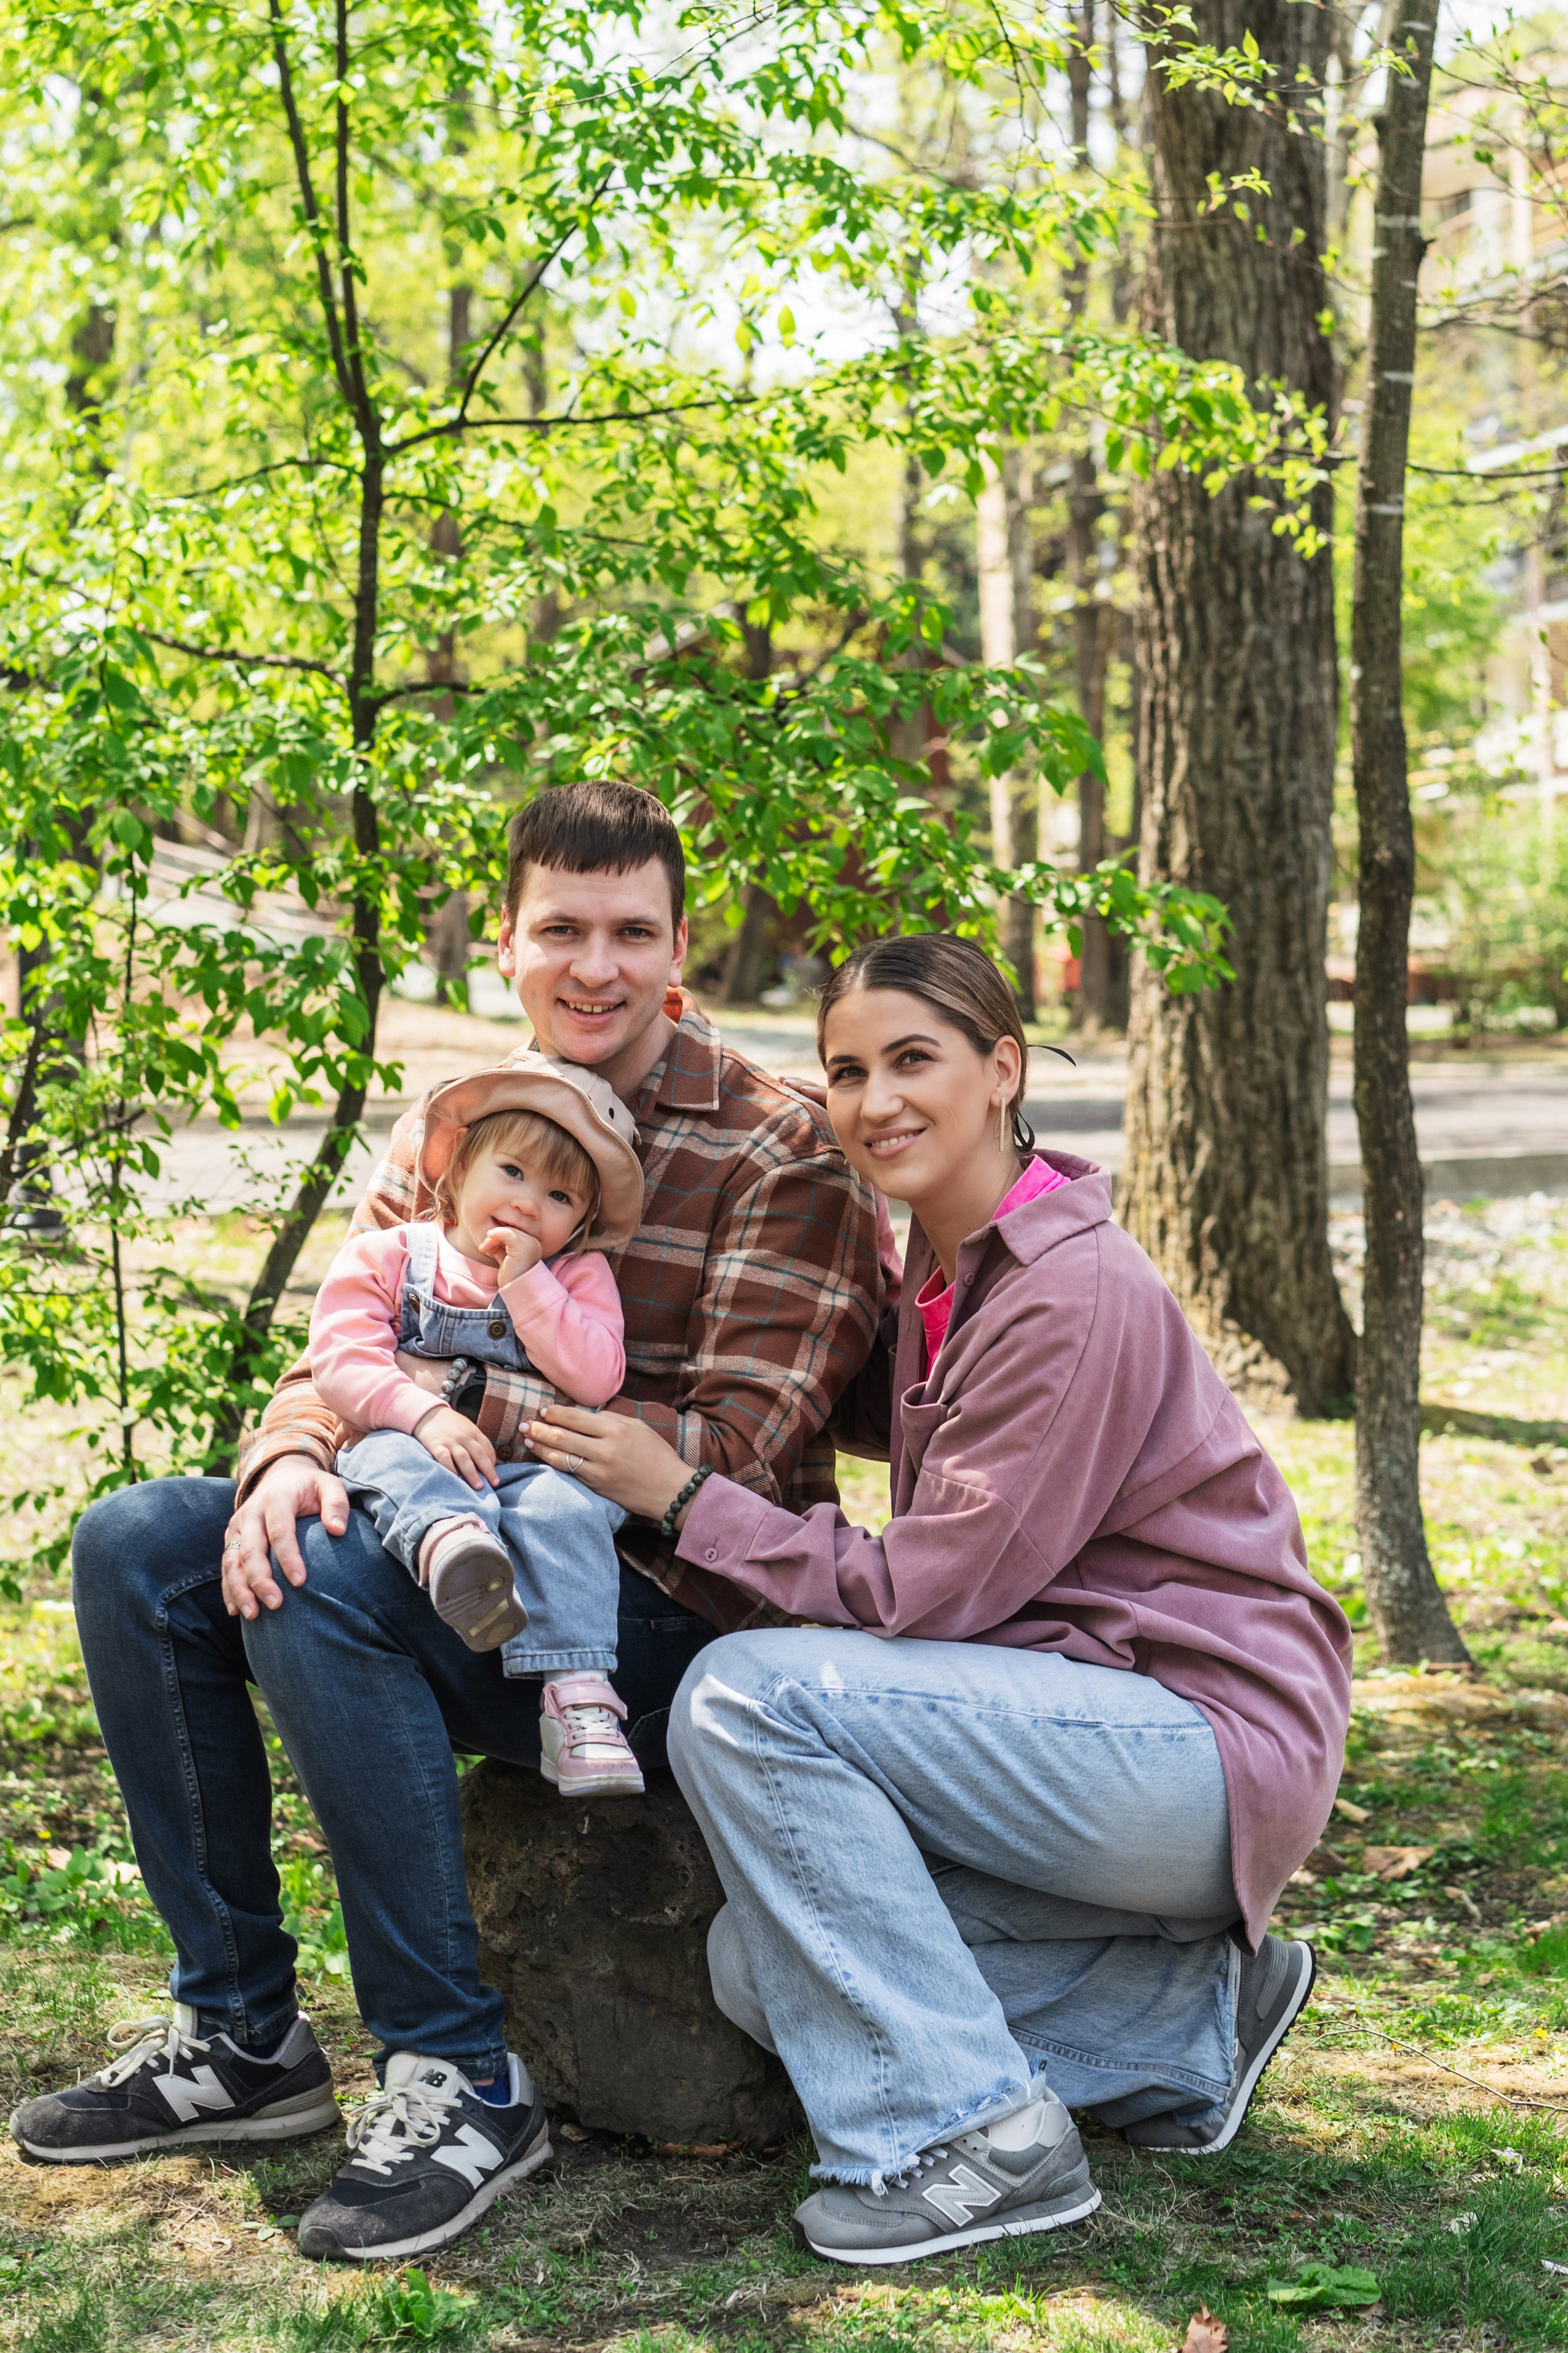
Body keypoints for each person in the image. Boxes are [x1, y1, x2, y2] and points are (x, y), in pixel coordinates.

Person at [12, 783, 880, 2268]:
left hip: (669, 1619)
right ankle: (242, 2035)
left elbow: (734, 1459)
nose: (592, 966)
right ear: (506, 942)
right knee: (141, 1540)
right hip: (448, 1545)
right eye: (560, 928)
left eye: (629, 932)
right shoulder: (461, 1125)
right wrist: (298, 1449)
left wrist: (436, 1423)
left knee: (321, 1583)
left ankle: (460, 2073)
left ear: (678, 948)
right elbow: (338, 1331)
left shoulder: (772, 1149)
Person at [523, 931, 1354, 2267]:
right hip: (1078, 1721)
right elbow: (821, 1391)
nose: (875, 1100)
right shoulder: (941, 1271)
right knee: (763, 1959)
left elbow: (932, 1592)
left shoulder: (1066, 1287)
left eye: (914, 1060)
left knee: (746, 1697)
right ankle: (1181, 2020)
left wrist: (680, 1495)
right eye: (846, 1071)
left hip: (1197, 1737)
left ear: (1001, 1069)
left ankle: (963, 2137)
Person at [317, 1057, 652, 1796]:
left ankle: (581, 1701)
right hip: (411, 1447)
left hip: (529, 1472)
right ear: (459, 1170)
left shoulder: (575, 1278)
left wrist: (527, 1285)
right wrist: (423, 1412)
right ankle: (456, 1551)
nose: (530, 1205)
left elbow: (597, 1377)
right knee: (391, 1459)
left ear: (583, 1222)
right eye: (512, 1172)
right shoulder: (392, 1255)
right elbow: (338, 1362)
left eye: (559, 1195)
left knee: (569, 1513)